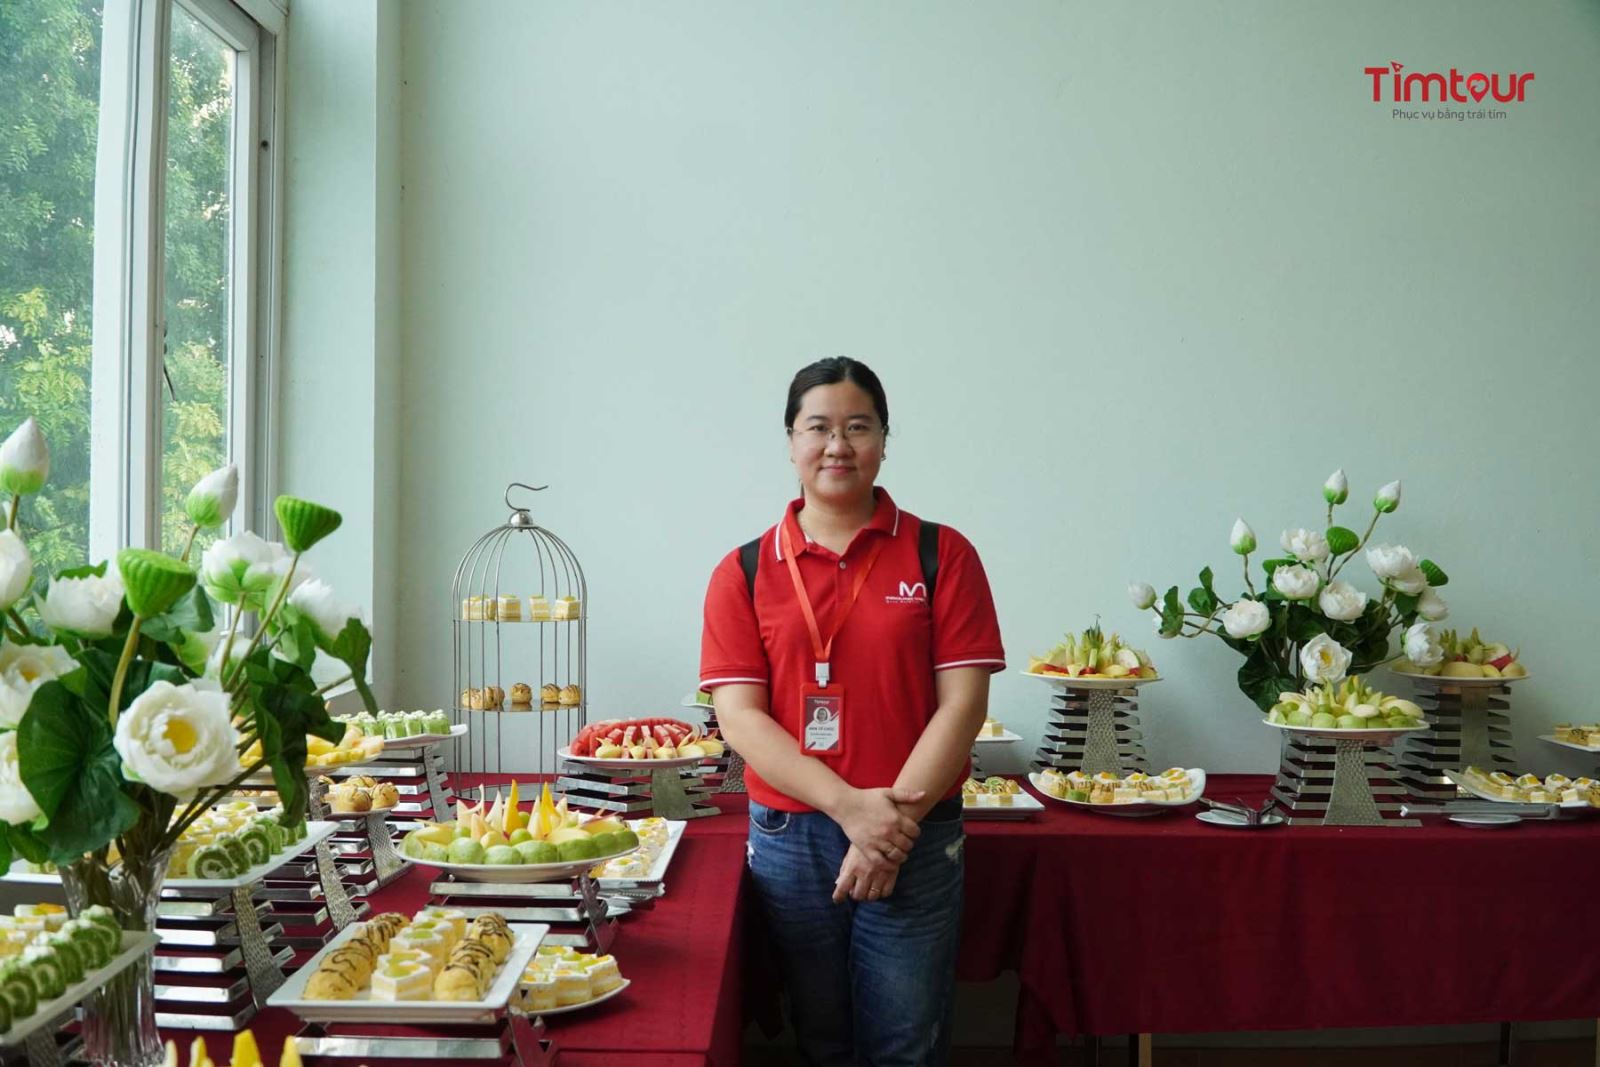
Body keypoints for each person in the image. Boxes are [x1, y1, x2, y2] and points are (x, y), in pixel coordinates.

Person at [699, 357, 1005, 1066]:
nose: (837, 445)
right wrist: (850, 810)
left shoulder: (941, 554)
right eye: (818, 427)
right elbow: (739, 718)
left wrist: (886, 827)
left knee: (906, 1043)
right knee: (822, 1038)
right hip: (793, 835)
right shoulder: (744, 570)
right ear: (791, 441)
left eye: (858, 427)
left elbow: (964, 704)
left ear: (884, 441)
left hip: (914, 830)